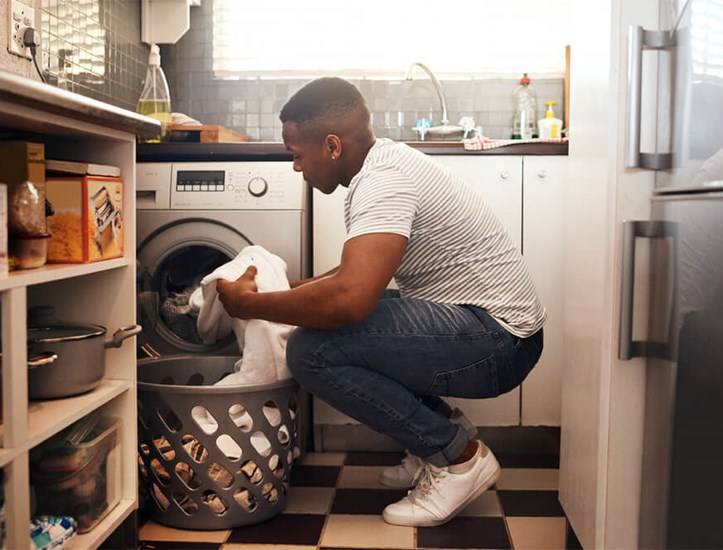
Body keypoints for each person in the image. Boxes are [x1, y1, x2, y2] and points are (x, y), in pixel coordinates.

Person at [216, 77, 545, 527]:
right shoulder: (384, 164)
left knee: (313, 350)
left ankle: (459, 458)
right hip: (495, 330)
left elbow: (350, 299)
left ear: (332, 146)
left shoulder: (382, 181)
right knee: (349, 322)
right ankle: (437, 441)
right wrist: (286, 290)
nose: (296, 168)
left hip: (500, 341)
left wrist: (250, 306)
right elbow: (352, 274)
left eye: (296, 155)